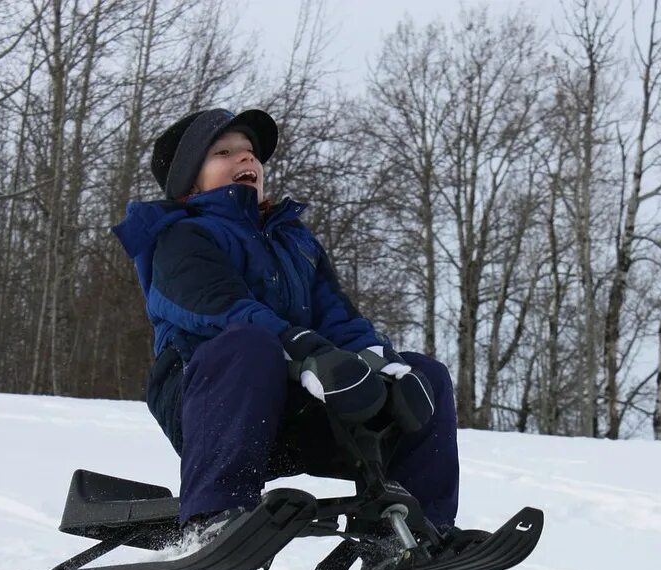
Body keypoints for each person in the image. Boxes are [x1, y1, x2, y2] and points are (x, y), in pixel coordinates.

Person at [111, 107, 460, 542]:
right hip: (212, 404)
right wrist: (306, 350)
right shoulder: (180, 237)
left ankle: (409, 532)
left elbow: (340, 316)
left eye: (250, 152)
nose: (246, 160)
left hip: (297, 408)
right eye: (224, 152)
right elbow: (221, 308)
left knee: (424, 375)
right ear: (190, 181)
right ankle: (214, 517)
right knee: (249, 344)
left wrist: (379, 363)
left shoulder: (295, 242)